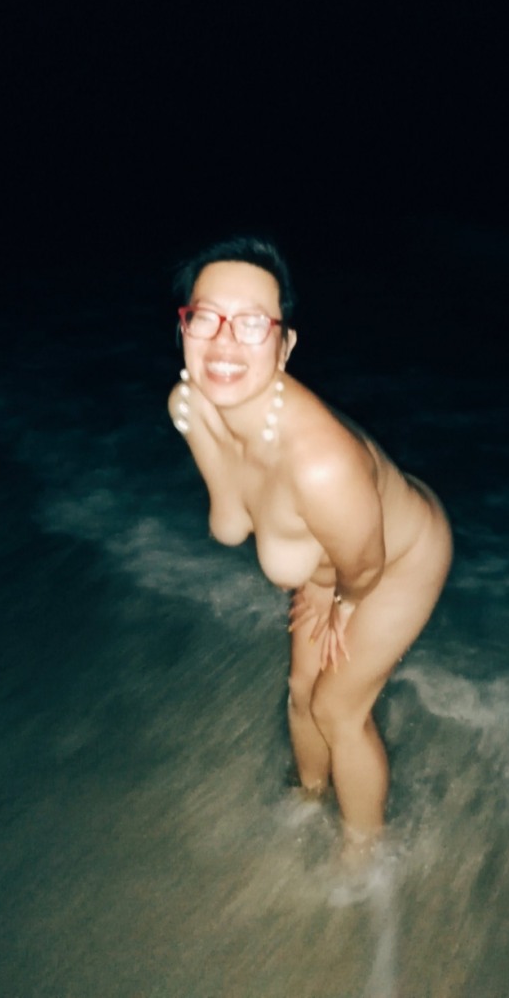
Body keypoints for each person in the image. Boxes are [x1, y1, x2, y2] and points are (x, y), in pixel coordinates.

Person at [168, 236, 452, 860]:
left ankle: (363, 855)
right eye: (206, 317)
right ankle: (309, 793)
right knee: (301, 688)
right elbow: (233, 515)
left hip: (398, 557)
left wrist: (340, 599)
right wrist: (318, 582)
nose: (224, 342)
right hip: (338, 548)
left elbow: (367, 563)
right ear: (183, 327)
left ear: (285, 345)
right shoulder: (189, 407)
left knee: (337, 706)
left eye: (252, 324)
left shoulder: (321, 464)